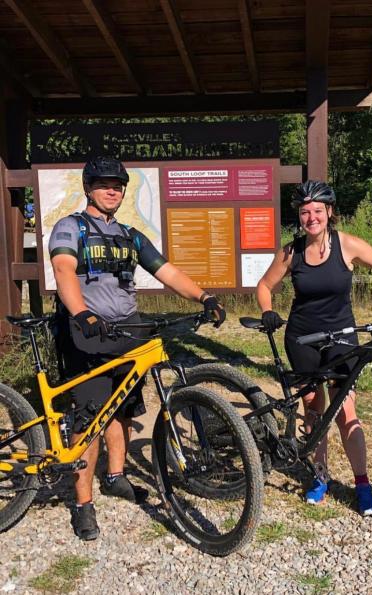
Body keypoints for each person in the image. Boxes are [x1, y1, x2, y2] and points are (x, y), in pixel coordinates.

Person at [49, 156, 226, 541]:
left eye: (118, 184)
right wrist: (81, 313)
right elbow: (63, 269)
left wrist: (204, 297)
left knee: (124, 409)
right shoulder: (70, 227)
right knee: (89, 419)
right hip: (86, 333)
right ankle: (82, 504)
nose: (112, 189)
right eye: (103, 183)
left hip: (127, 330)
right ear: (88, 188)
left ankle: (115, 476)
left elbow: (167, 271)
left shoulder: (131, 236)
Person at [257, 180, 372, 515]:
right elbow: (264, 285)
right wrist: (267, 310)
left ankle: (362, 483)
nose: (311, 217)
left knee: (345, 409)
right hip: (302, 338)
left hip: (342, 336)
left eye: (318, 211)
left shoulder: (347, 245)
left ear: (329, 213)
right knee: (313, 409)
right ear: (300, 217)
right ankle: (320, 477)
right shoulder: (291, 252)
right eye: (305, 212)